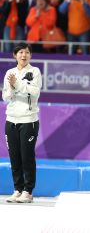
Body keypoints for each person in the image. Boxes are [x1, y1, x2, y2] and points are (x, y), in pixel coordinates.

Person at [2, 43, 42, 203]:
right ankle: (17, 189)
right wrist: (11, 88)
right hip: (11, 120)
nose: (23, 55)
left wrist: (17, 84)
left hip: (28, 120)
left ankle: (28, 191)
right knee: (14, 157)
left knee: (27, 156)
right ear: (14, 55)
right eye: (20, 52)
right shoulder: (9, 73)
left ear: (30, 55)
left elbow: (35, 93)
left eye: (26, 52)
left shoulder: (35, 71)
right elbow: (6, 97)